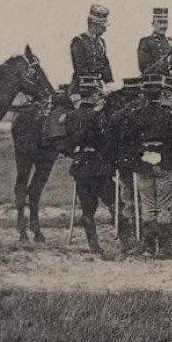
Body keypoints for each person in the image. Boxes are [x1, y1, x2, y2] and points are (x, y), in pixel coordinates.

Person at [112, 72, 172, 255]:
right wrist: (168, 162)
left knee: (148, 206)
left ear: (143, 94)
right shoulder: (170, 117)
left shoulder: (134, 116)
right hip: (165, 165)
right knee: (164, 206)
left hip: (143, 166)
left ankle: (148, 246)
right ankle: (163, 247)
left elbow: (127, 144)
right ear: (161, 93)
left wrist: (142, 156)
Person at [66, 74, 117, 256]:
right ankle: (126, 238)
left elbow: (67, 143)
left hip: (81, 166)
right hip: (100, 166)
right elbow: (106, 140)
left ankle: (93, 245)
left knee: (87, 209)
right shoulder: (99, 117)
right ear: (95, 94)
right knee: (113, 202)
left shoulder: (71, 116)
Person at [71, 4, 114, 88]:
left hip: (97, 85)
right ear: (92, 25)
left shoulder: (101, 42)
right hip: (81, 86)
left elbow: (105, 65)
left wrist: (109, 82)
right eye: (102, 27)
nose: (104, 30)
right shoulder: (78, 41)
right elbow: (79, 68)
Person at [136, 6, 172, 76]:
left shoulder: (171, 42)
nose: (163, 26)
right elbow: (145, 68)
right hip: (154, 81)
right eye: (160, 23)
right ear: (153, 24)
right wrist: (165, 62)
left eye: (165, 22)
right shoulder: (145, 42)